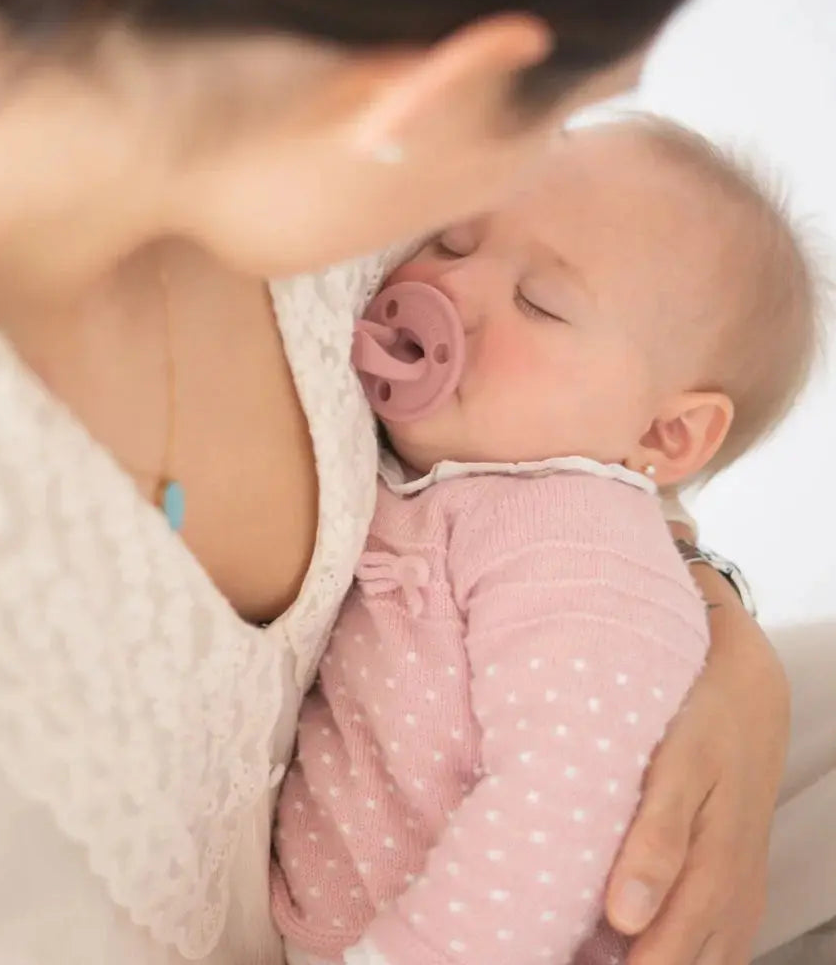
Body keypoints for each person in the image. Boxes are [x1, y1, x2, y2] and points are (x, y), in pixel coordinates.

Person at [0, 0, 830, 963]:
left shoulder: (327, 166)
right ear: (429, 90)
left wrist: (719, 644)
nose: (518, 197)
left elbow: (591, 451)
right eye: (551, 121)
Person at [271, 117, 824, 965]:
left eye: (540, 303)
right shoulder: (452, 480)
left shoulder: (584, 550)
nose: (450, 288)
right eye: (455, 241)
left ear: (668, 439)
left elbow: (565, 803)